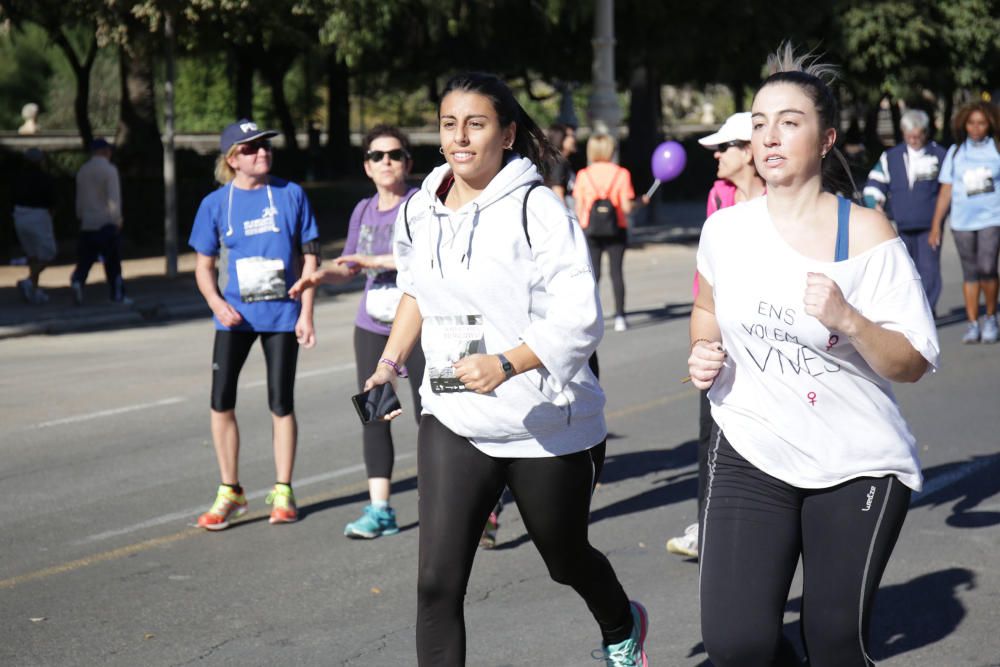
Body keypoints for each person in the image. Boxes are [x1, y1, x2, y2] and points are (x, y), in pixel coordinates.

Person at [363, 72, 647, 666]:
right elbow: (415, 291)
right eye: (449, 124)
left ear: (508, 133)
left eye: (477, 123)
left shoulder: (536, 209)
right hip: (455, 415)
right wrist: (390, 364)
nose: (460, 137)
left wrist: (507, 363)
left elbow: (580, 315)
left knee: (564, 558)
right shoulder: (419, 210)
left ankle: (622, 625)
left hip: (544, 422)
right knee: (436, 583)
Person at [690, 45, 939, 667]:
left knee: (833, 644)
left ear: (826, 139)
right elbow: (706, 307)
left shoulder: (867, 233)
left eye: (789, 122)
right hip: (751, 445)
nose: (769, 137)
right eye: (758, 122)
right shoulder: (726, 230)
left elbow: (911, 361)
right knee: (736, 644)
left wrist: (849, 320)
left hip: (855, 460)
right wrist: (702, 349)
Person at [289, 125, 425, 539]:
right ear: (367, 166)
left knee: (433, 417)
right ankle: (380, 509)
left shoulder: (421, 204)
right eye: (378, 156)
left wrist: (372, 259)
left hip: (419, 326)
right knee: (375, 414)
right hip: (371, 327)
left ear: (408, 162)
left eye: (395, 154)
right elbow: (348, 265)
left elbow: (426, 261)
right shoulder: (363, 210)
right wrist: (318, 276)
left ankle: (452, 499)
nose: (387, 162)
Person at [188, 119, 320, 530]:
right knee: (220, 401)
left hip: (282, 315)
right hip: (235, 319)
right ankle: (231, 490)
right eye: (250, 148)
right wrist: (215, 303)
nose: (261, 152)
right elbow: (203, 266)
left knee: (281, 402)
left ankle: (283, 489)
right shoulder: (215, 203)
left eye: (265, 146)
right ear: (232, 159)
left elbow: (310, 259)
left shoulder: (290, 194)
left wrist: (307, 313)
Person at [666, 111, 766, 560]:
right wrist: (703, 340)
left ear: (750, 151)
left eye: (725, 148)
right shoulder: (718, 197)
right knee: (711, 439)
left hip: (766, 344)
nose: (717, 156)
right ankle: (709, 527)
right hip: (719, 336)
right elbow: (703, 285)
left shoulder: (780, 202)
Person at [863, 109, 948, 315]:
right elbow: (874, 185)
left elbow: (947, 190)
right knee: (905, 271)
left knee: (929, 270)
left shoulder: (939, 155)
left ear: (926, 133)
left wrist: (938, 224)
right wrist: (875, 204)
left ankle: (926, 311)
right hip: (901, 226)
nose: (914, 140)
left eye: (918, 135)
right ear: (903, 133)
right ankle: (910, 310)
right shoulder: (890, 156)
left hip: (930, 226)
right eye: (909, 136)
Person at [929, 100, 1000, 343]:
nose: (976, 128)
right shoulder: (956, 152)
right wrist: (936, 224)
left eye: (981, 123)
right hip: (962, 222)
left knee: (988, 267)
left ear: (990, 123)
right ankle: (972, 323)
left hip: (992, 218)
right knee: (970, 272)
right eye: (972, 123)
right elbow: (946, 191)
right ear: (964, 125)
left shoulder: (996, 149)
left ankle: (990, 317)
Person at [573, 133, 637, 332]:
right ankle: (620, 316)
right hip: (616, 227)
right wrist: (640, 203)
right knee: (616, 273)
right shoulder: (622, 174)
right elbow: (626, 207)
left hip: (590, 229)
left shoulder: (583, 175)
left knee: (594, 274)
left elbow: (579, 207)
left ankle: (593, 316)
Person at [71, 138, 130, 305]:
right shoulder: (109, 170)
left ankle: (77, 281)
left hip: (87, 222)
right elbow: (114, 197)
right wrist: (117, 219)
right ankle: (117, 295)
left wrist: (80, 216)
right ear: (105, 151)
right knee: (112, 262)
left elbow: (79, 199)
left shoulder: (83, 170)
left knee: (85, 260)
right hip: (105, 221)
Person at [12, 148, 57, 304]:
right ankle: (30, 281)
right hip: (38, 215)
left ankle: (34, 290)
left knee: (32, 255)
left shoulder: (18, 178)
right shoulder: (44, 178)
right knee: (49, 253)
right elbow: (51, 201)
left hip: (19, 215)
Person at [545, 122, 577, 202]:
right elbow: (557, 190)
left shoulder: (554, 160)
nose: (574, 139)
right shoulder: (559, 162)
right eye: (571, 136)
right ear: (560, 138)